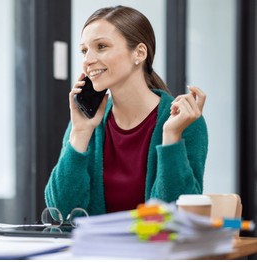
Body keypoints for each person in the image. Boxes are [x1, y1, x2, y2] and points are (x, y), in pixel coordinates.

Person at [44, 5, 208, 219]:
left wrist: (171, 138)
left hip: (153, 251)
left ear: (139, 53)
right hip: (95, 250)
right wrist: (80, 132)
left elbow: (177, 217)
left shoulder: (184, 121)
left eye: (101, 46)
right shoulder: (87, 121)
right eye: (84, 51)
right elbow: (60, 213)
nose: (87, 60)